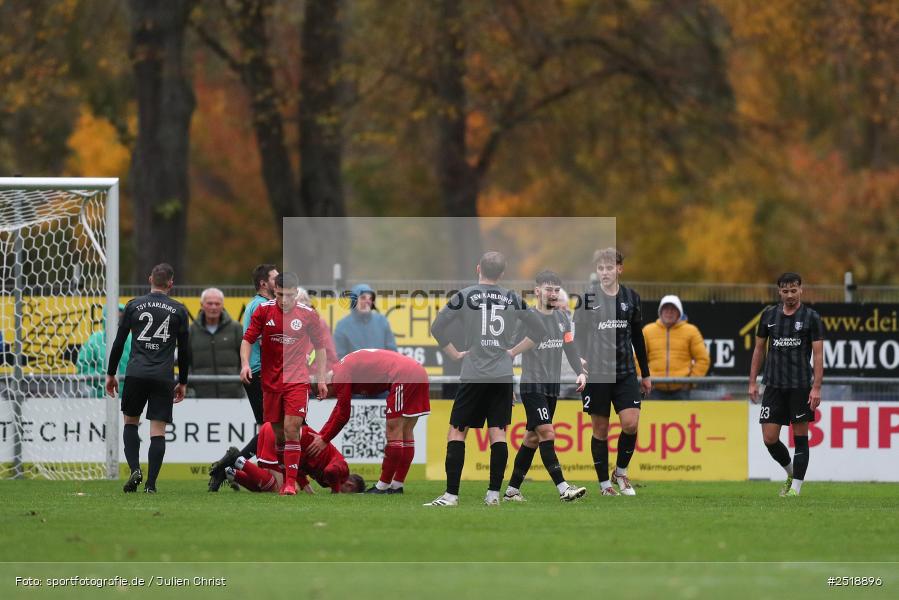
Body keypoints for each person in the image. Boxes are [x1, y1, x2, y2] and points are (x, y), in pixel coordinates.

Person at [425, 251, 544, 507]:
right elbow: (540, 330)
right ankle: (492, 495)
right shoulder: (512, 298)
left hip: (474, 373)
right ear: (502, 274)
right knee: (498, 433)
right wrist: (512, 352)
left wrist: (455, 354)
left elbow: (436, 328)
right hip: (502, 374)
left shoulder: (464, 295)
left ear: (478, 268)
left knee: (457, 432)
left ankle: (451, 496)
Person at [239, 272, 329, 496]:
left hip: (297, 381)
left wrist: (320, 377)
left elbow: (320, 347)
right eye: (280, 294)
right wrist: (244, 364)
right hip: (270, 383)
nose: (284, 300)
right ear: (274, 291)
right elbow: (247, 339)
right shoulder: (263, 310)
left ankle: (289, 484)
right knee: (279, 435)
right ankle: (291, 480)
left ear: (296, 293)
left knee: (292, 429)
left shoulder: (308, 315)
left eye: (289, 295)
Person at [106, 263, 191, 494]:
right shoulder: (179, 310)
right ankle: (151, 484)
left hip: (135, 373)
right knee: (158, 431)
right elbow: (184, 350)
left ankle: (135, 468)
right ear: (171, 284)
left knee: (131, 422)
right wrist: (182, 380)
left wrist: (111, 373)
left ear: (149, 279)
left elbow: (118, 342)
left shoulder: (133, 305)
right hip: (163, 376)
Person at [503, 271, 588, 503]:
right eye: (548, 289)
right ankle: (563, 489)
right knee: (547, 433)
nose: (552, 293)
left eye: (556, 290)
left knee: (532, 439)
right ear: (537, 290)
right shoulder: (527, 319)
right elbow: (508, 354)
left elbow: (570, 347)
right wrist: (507, 383)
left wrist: (580, 372)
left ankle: (511, 490)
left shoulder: (562, 318)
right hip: (533, 386)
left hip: (552, 388)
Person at [574, 248, 651, 496]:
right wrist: (581, 360)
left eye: (610, 267)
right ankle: (604, 485)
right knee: (601, 430)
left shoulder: (632, 297)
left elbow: (638, 337)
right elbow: (579, 336)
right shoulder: (587, 299)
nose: (605, 272)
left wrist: (645, 373)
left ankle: (620, 472)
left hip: (626, 372)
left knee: (630, 423)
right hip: (597, 374)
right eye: (601, 268)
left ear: (619, 269)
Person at [314, 348, 431, 494]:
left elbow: (343, 414)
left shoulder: (340, 376)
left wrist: (324, 439)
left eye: (325, 394)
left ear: (326, 384)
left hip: (403, 375)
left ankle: (382, 487)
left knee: (393, 432)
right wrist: (322, 435)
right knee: (406, 432)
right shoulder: (341, 370)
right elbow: (339, 409)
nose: (328, 397)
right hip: (416, 371)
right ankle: (396, 485)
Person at [749, 272, 824, 497]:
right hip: (773, 385)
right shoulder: (769, 315)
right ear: (779, 291)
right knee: (769, 438)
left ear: (801, 289)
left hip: (800, 386)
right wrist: (752, 381)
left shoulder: (811, 317)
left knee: (800, 437)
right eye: (785, 291)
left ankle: (796, 489)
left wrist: (817, 386)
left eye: (794, 290)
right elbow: (759, 349)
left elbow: (818, 356)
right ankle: (791, 473)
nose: (790, 295)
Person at [209, 264, 278, 492]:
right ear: (263, 283)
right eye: (275, 278)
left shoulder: (261, 305)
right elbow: (259, 339)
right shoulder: (260, 306)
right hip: (260, 373)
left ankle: (234, 467)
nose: (279, 281)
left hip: (262, 372)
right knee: (273, 428)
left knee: (270, 429)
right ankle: (231, 464)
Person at [222, 422, 365, 494]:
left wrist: (305, 485)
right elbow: (330, 471)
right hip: (282, 436)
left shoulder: (332, 473)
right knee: (275, 488)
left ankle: (232, 472)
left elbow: (302, 465)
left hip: (276, 430)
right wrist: (336, 491)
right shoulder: (343, 470)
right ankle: (238, 460)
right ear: (351, 486)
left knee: (264, 487)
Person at [641, 294, 710, 400]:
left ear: (679, 312)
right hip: (654, 390)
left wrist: (690, 382)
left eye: (673, 309)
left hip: (682, 390)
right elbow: (637, 358)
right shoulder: (647, 330)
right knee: (655, 417)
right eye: (666, 309)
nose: (669, 312)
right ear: (660, 311)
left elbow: (703, 359)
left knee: (682, 417)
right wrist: (646, 379)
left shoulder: (691, 331)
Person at [189, 288, 244, 399]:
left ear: (222, 305)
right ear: (202, 305)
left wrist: (239, 385)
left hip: (233, 396)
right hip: (200, 396)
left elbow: (245, 359)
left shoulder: (236, 328)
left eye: (217, 303)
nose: (213, 307)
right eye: (209, 303)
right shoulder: (191, 331)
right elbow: (186, 362)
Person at [78, 304, 130, 398]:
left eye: (120, 318)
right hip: (101, 397)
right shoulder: (95, 340)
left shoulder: (132, 340)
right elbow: (83, 365)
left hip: (128, 397)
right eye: (113, 318)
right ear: (106, 319)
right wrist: (101, 381)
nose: (116, 322)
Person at [333, 284, 398, 358]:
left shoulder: (382, 322)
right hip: (354, 369)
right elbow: (340, 357)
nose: (367, 301)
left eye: (370, 298)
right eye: (363, 298)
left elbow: (393, 352)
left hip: (381, 368)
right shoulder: (342, 326)